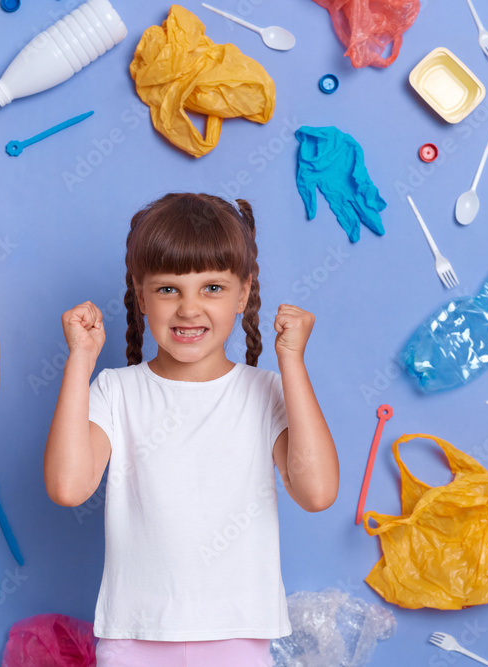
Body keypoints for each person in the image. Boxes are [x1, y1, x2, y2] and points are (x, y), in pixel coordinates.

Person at [45, 193, 339, 666]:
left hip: (238, 637)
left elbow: (318, 492)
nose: (188, 308)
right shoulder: (115, 391)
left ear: (243, 293)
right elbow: (67, 487)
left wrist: (292, 364)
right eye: (168, 290)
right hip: (134, 637)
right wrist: (80, 360)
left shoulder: (265, 393)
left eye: (212, 288)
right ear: (140, 295)